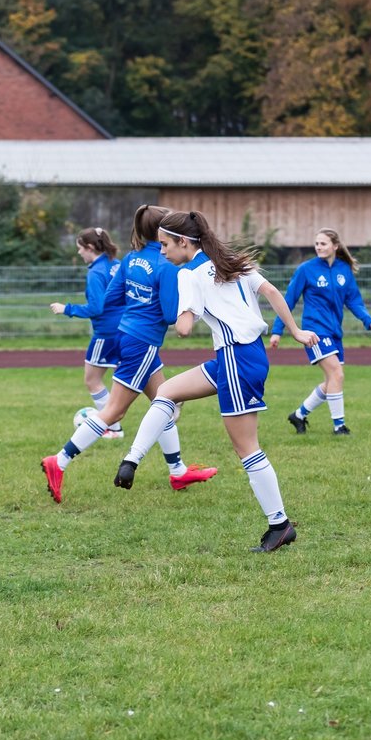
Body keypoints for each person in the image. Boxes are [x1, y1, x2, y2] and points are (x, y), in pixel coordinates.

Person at [112, 209, 319, 553]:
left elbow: (183, 328)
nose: (161, 251)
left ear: (184, 242)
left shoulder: (188, 275)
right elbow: (271, 292)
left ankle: (280, 525)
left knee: (247, 449)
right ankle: (132, 459)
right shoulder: (231, 260)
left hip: (237, 359)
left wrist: (176, 314)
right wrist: (295, 330)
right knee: (166, 391)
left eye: (165, 245)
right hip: (236, 357)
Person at [41, 205, 217, 503]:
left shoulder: (131, 259)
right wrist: (191, 310)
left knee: (165, 400)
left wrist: (135, 310)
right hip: (143, 342)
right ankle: (58, 462)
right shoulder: (165, 265)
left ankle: (178, 471)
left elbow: (112, 298)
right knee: (114, 411)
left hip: (126, 334)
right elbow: (168, 314)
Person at [270, 228, 371, 436]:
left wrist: (369, 321)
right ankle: (339, 427)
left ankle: (298, 415)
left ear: (335, 246)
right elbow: (288, 301)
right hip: (314, 331)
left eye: (323, 244)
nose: (319, 247)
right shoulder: (306, 269)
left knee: (332, 380)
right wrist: (277, 330)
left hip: (334, 332)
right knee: (337, 374)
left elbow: (354, 300)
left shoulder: (344, 270)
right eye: (317, 244)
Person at [49, 226, 126, 438]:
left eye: (80, 248)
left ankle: (113, 428)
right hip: (128, 329)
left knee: (92, 380)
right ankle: (168, 403)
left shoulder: (96, 272)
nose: (78, 252)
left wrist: (67, 309)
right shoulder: (116, 264)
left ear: (90, 247)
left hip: (107, 333)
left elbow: (96, 308)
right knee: (135, 380)